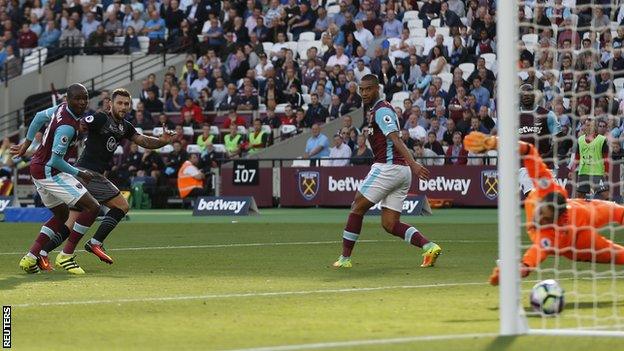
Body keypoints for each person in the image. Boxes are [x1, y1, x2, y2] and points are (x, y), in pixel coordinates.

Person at [32, 89, 176, 268]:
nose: (123, 107)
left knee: (71, 221)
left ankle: (43, 253)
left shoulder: (125, 127)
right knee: (122, 206)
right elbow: (80, 125)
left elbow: (143, 141)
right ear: (111, 104)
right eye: (119, 103)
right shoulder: (101, 118)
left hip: (88, 175)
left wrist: (162, 141)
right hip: (87, 173)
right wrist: (67, 139)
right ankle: (94, 243)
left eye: (126, 104)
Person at [464, 132, 624, 286]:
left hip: (580, 227)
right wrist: (495, 142)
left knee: (618, 216)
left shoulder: (549, 233)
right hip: (579, 225)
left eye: (545, 218)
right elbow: (528, 150)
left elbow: (531, 258)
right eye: (541, 212)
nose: (538, 218)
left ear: (554, 220)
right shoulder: (546, 188)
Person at [332, 74, 441, 269]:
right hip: (400, 172)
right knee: (390, 224)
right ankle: (429, 246)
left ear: (377, 89)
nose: (364, 93)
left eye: (368, 89)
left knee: (357, 206)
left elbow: (396, 139)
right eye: (361, 90)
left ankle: (345, 259)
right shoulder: (377, 110)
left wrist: (414, 164)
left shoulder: (382, 110)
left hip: (388, 167)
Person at [12, 84, 99, 275]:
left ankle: (30, 258)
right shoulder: (67, 127)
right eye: (77, 98)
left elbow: (37, 118)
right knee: (93, 207)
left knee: (62, 215)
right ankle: (66, 256)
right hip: (50, 172)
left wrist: (26, 144)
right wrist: (80, 174)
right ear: (68, 99)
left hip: (38, 168)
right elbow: (56, 161)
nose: (82, 102)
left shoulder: (60, 109)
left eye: (85, 98)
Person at [518, 84, 562, 195]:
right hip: (524, 165)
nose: (526, 96)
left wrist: (549, 154)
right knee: (532, 196)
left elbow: (560, 139)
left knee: (551, 198)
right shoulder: (513, 116)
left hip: (545, 164)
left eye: (529, 94)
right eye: (524, 95)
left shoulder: (548, 115)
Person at [570, 118, 610, 200]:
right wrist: (572, 170)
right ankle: (581, 211)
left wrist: (606, 171)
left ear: (594, 127)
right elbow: (577, 157)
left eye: (590, 125)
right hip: (584, 171)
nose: (587, 127)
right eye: (586, 125)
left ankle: (613, 211)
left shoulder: (601, 140)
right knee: (579, 196)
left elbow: (606, 157)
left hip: (597, 172)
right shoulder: (580, 140)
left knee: (606, 195)